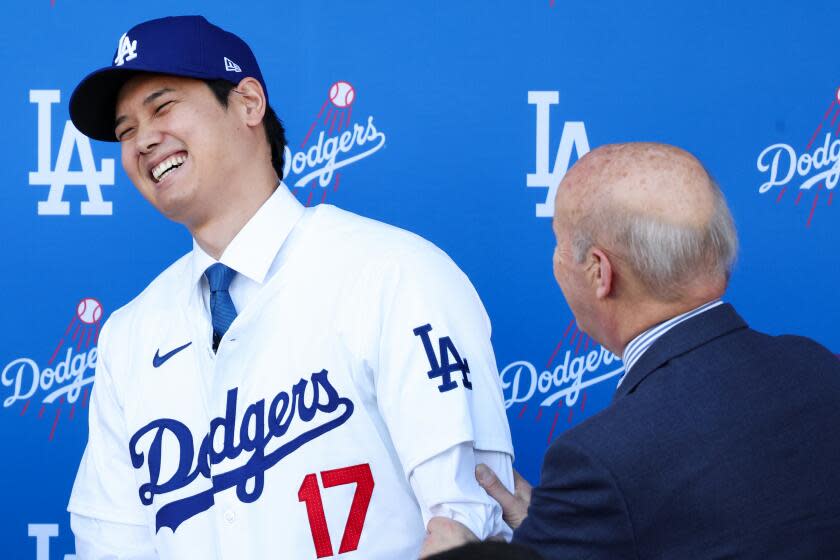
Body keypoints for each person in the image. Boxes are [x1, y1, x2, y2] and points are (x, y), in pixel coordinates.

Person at [66, 16, 514, 559]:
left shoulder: (393, 273)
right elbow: (111, 545)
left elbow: (466, 522)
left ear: (248, 103)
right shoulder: (128, 334)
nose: (144, 141)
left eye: (163, 107)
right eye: (125, 131)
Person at [431, 142, 840, 558]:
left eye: (556, 241)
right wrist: (562, 528)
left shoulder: (600, 461)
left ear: (599, 271)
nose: (554, 260)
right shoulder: (819, 367)